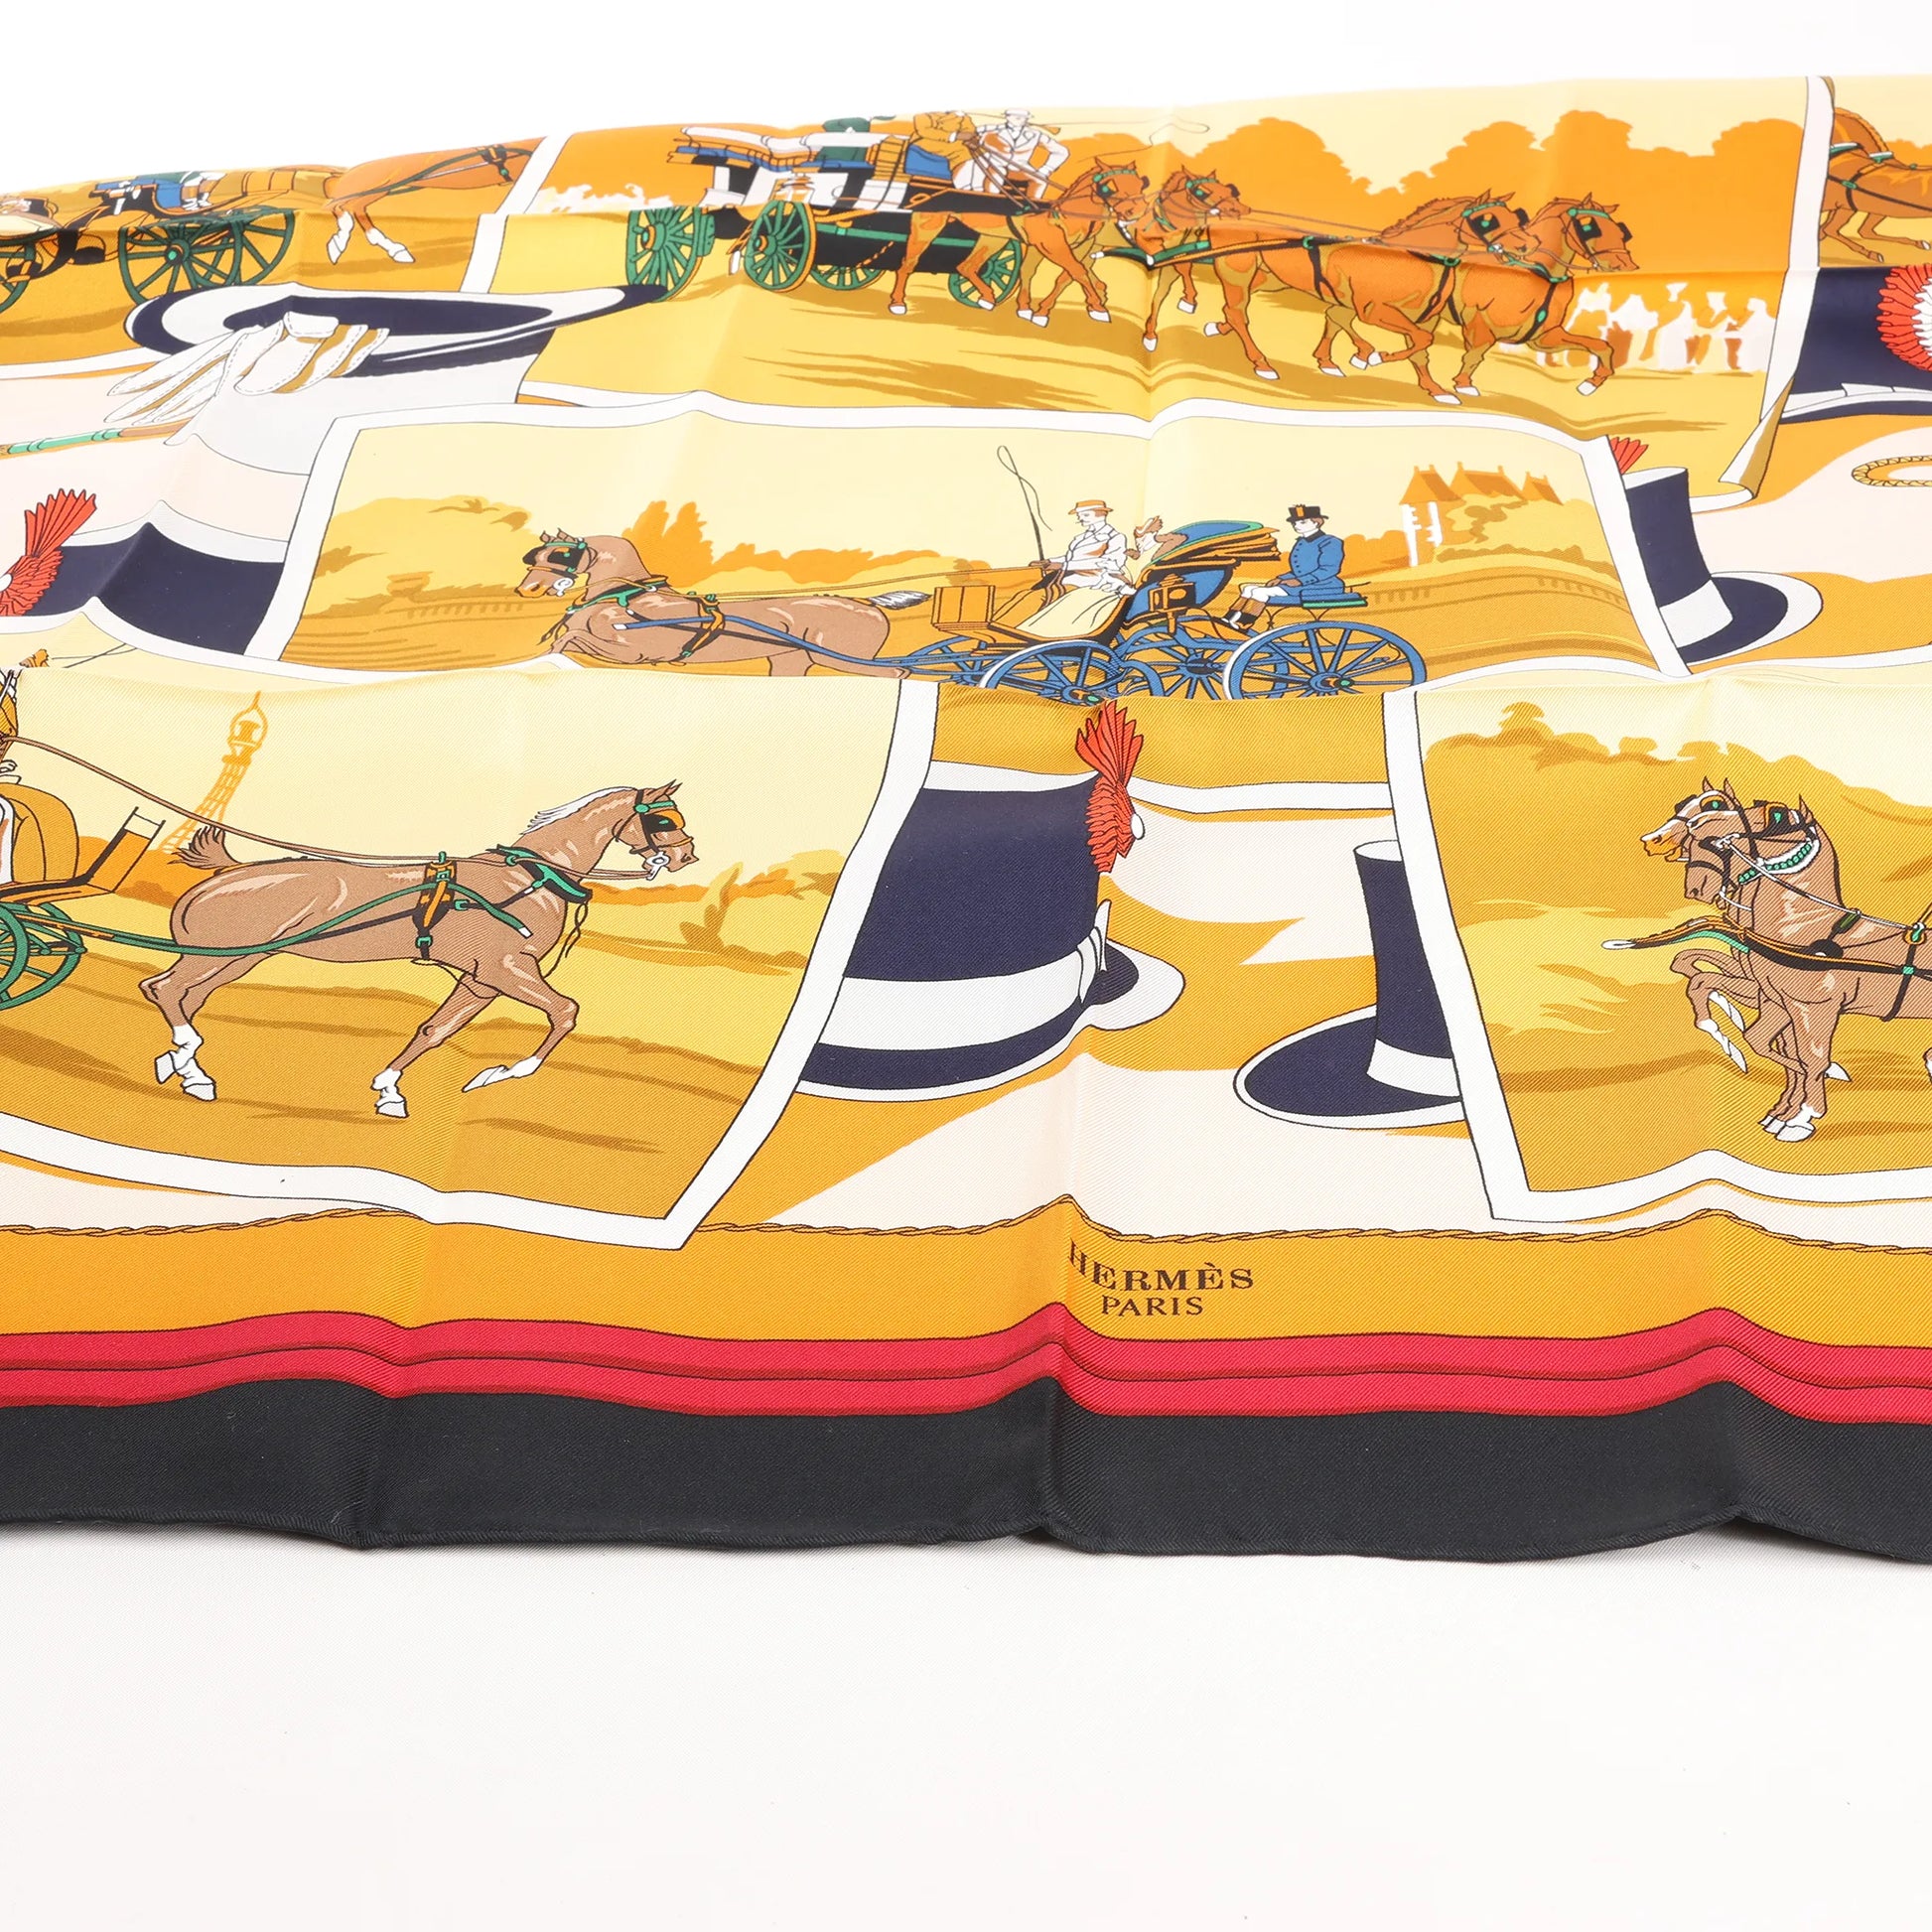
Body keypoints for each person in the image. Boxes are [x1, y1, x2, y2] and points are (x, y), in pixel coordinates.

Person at [1018, 500, 1160, 639]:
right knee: (1024, 594)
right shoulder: (1081, 538)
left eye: (1085, 515)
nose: (1080, 519)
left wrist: (1064, 565)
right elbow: (1070, 557)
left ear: (1101, 514)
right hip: (1070, 578)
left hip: (1095, 580)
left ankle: (1022, 632)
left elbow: (1107, 562)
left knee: (1037, 597)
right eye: (1079, 516)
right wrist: (1049, 561)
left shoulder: (1115, 537)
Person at [1227, 505, 1348, 628]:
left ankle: (1243, 624)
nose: (1296, 526)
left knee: (1259, 592)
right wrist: (1281, 578)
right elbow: (1299, 571)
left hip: (1324, 585)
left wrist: (1299, 581)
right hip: (1303, 584)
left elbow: (1329, 569)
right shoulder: (1301, 542)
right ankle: (1229, 620)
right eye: (1294, 523)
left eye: (1302, 522)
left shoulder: (1330, 542)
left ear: (1317, 522)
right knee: (1248, 588)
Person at [960, 110, 1069, 198]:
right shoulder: (989, 129)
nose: (1019, 118)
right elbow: (965, 135)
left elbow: (1062, 151)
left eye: (1023, 117)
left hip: (1019, 168)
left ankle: (1030, 208)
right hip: (993, 164)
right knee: (997, 173)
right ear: (1007, 117)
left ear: (1027, 119)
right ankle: (991, 203)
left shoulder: (1035, 134)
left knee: (1040, 180)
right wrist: (971, 140)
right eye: (1015, 116)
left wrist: (1045, 170)